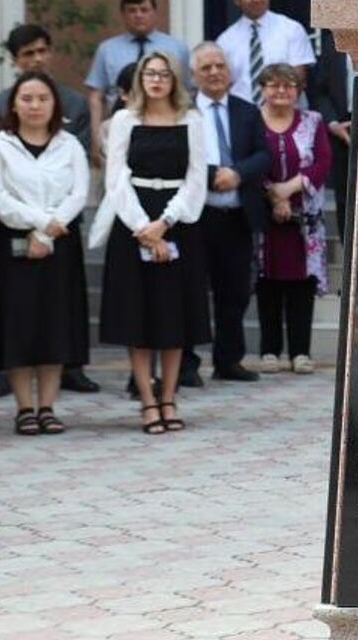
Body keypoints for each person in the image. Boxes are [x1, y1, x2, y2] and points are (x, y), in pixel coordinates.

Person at [0, 24, 101, 397]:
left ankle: (65, 377)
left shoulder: (75, 106)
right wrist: (37, 223)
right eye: (27, 53)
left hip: (61, 229)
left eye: (41, 51)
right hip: (14, 229)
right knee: (16, 314)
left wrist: (50, 226)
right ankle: (13, 383)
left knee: (60, 312)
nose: (36, 59)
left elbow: (77, 184)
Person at [93, 52, 208, 434]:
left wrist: (165, 223)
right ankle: (146, 400)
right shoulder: (125, 120)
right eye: (149, 73)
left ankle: (170, 397)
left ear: (174, 80)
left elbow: (196, 180)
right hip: (134, 222)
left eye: (163, 74)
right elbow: (115, 179)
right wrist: (144, 226)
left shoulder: (191, 120)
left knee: (173, 316)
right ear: (140, 79)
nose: (156, 80)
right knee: (138, 315)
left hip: (178, 221)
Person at [0, 73, 88, 436]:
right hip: (15, 243)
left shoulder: (69, 144)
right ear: (13, 104)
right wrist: (42, 223)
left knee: (55, 323)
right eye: (27, 98)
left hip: (61, 244)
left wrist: (48, 231)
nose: (35, 105)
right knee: (19, 324)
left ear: (55, 103)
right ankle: (24, 407)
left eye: (43, 98)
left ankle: (48, 407)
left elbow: (78, 192)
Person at [184, 42, 269, 384]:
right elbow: (179, 157)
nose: (215, 72)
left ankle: (228, 360)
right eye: (206, 68)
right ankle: (187, 364)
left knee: (233, 292)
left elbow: (264, 155)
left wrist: (237, 173)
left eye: (220, 65)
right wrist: (211, 175)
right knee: (191, 291)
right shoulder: (184, 111)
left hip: (237, 216)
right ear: (193, 76)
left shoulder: (247, 110)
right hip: (197, 217)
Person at [253, 63, 332, 374]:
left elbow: (322, 162)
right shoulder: (252, 121)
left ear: (298, 90)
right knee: (267, 283)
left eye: (288, 85)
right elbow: (248, 160)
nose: (281, 91)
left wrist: (288, 189)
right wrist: (274, 195)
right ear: (263, 89)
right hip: (264, 215)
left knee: (301, 285)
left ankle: (301, 352)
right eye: (273, 85)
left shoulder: (313, 121)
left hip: (304, 220)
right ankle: (269, 351)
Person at [84, 0, 191, 166]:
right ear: (123, 14)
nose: (138, 15)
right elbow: (95, 95)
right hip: (119, 125)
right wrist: (96, 138)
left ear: (155, 12)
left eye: (144, 10)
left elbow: (187, 90)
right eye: (132, 10)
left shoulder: (176, 48)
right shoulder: (107, 49)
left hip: (166, 126)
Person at [217, 0, 316, 105]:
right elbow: (223, 85)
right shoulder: (225, 41)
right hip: (243, 119)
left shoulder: (291, 29)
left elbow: (298, 78)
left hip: (286, 115)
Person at [310, 26, 356, 262]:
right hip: (341, 129)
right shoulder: (332, 43)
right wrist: (332, 123)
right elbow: (319, 91)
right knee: (344, 199)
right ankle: (350, 266)